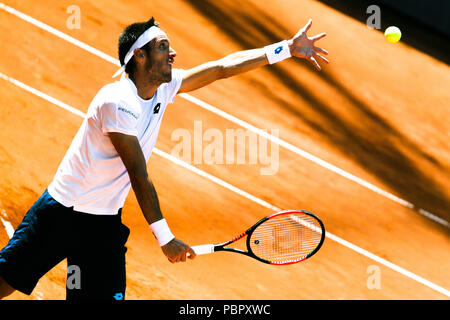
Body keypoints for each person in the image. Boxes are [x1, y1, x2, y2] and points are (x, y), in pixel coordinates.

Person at [0, 17, 328, 300]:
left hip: (103, 226)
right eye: (163, 47)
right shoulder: (117, 102)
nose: (173, 52)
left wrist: (285, 48)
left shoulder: (162, 89)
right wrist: (165, 238)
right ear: (139, 57)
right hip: (62, 214)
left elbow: (221, 69)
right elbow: (138, 175)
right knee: (5, 282)